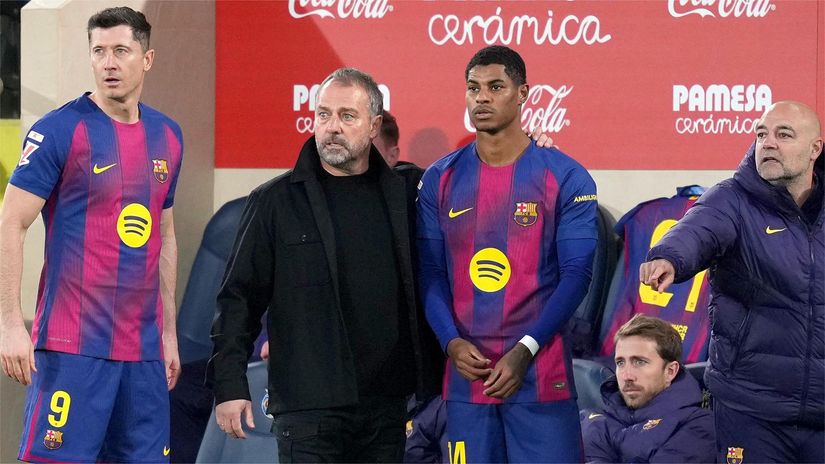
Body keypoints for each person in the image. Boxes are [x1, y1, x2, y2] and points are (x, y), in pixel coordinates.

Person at [206, 67, 444, 463]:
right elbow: (237, 299)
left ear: (374, 126)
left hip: (387, 409)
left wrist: (533, 148)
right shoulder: (274, 202)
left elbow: (477, 174)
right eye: (323, 114)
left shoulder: (407, 195)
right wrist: (230, 385)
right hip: (307, 410)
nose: (332, 127)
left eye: (347, 116)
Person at [0, 7, 183, 463]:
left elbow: (165, 237)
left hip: (143, 355)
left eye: (121, 50)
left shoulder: (169, 136)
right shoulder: (59, 130)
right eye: (99, 51)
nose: (108, 63)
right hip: (72, 348)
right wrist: (8, 325)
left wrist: (169, 333)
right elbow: (10, 223)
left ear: (148, 59)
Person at [416, 45, 598, 463]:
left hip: (541, 376)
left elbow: (577, 275)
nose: (481, 97)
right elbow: (429, 273)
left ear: (523, 93)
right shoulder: (439, 179)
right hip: (467, 381)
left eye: (495, 86)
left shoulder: (565, 176)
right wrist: (451, 343)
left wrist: (526, 348)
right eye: (473, 88)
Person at [640, 100, 823, 463]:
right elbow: (697, 229)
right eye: (761, 134)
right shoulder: (732, 198)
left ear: (815, 148)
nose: (767, 143)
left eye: (783, 135)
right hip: (751, 409)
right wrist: (669, 257)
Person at [580, 314, 715, 463]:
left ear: (670, 371)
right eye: (620, 363)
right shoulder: (592, 419)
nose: (627, 375)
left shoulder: (697, 426)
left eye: (639, 362)